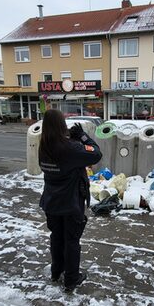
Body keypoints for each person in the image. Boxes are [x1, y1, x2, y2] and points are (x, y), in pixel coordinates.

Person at [38, 109, 102, 292]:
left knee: (56, 237)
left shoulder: (44, 146)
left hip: (51, 202)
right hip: (71, 203)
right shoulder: (70, 148)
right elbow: (96, 154)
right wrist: (82, 137)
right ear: (61, 125)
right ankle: (71, 279)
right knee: (71, 240)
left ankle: (56, 272)